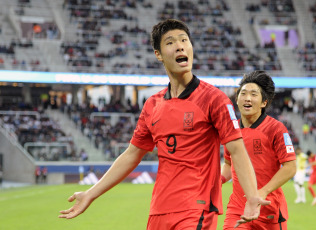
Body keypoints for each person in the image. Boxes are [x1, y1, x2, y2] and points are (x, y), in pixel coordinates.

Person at [59, 19, 269, 229]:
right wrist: (91, 194)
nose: (180, 45)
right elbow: (132, 154)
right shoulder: (152, 105)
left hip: (196, 210)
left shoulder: (214, 99)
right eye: (170, 42)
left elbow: (237, 150)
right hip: (158, 210)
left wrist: (251, 196)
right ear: (158, 54)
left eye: (184, 40)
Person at [221, 70, 297, 229]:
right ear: (237, 98)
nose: (247, 98)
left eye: (254, 94)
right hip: (238, 208)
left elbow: (290, 167)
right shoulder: (230, 129)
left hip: (269, 210)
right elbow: (228, 164)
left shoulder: (276, 129)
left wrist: (262, 192)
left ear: (264, 102)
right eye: (243, 93)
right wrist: (216, 181)